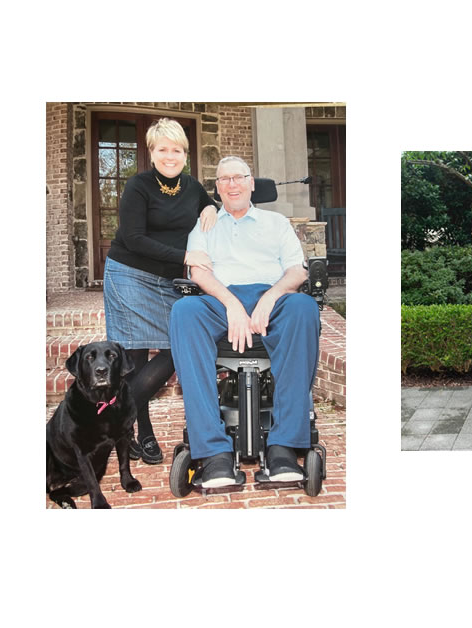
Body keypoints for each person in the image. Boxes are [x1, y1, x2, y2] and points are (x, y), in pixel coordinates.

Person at [168, 156, 320, 488]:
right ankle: (214, 453)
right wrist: (233, 305)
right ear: (218, 188)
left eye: (239, 177)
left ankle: (283, 447)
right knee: (184, 312)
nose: (232, 184)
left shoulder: (276, 223)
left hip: (273, 298)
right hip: (221, 299)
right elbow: (199, 273)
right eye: (224, 179)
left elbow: (297, 271)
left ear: (252, 183)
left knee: (303, 308)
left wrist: (271, 296)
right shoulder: (205, 224)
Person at [103, 118, 216, 464]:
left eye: (177, 150)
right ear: (151, 153)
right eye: (163, 149)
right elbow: (134, 238)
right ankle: (144, 433)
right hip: (130, 274)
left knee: (174, 348)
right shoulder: (138, 186)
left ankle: (113, 420)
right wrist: (185, 255)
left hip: (168, 282)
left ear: (186, 153)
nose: (171, 156)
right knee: (135, 358)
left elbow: (208, 202)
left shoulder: (192, 187)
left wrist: (211, 205)